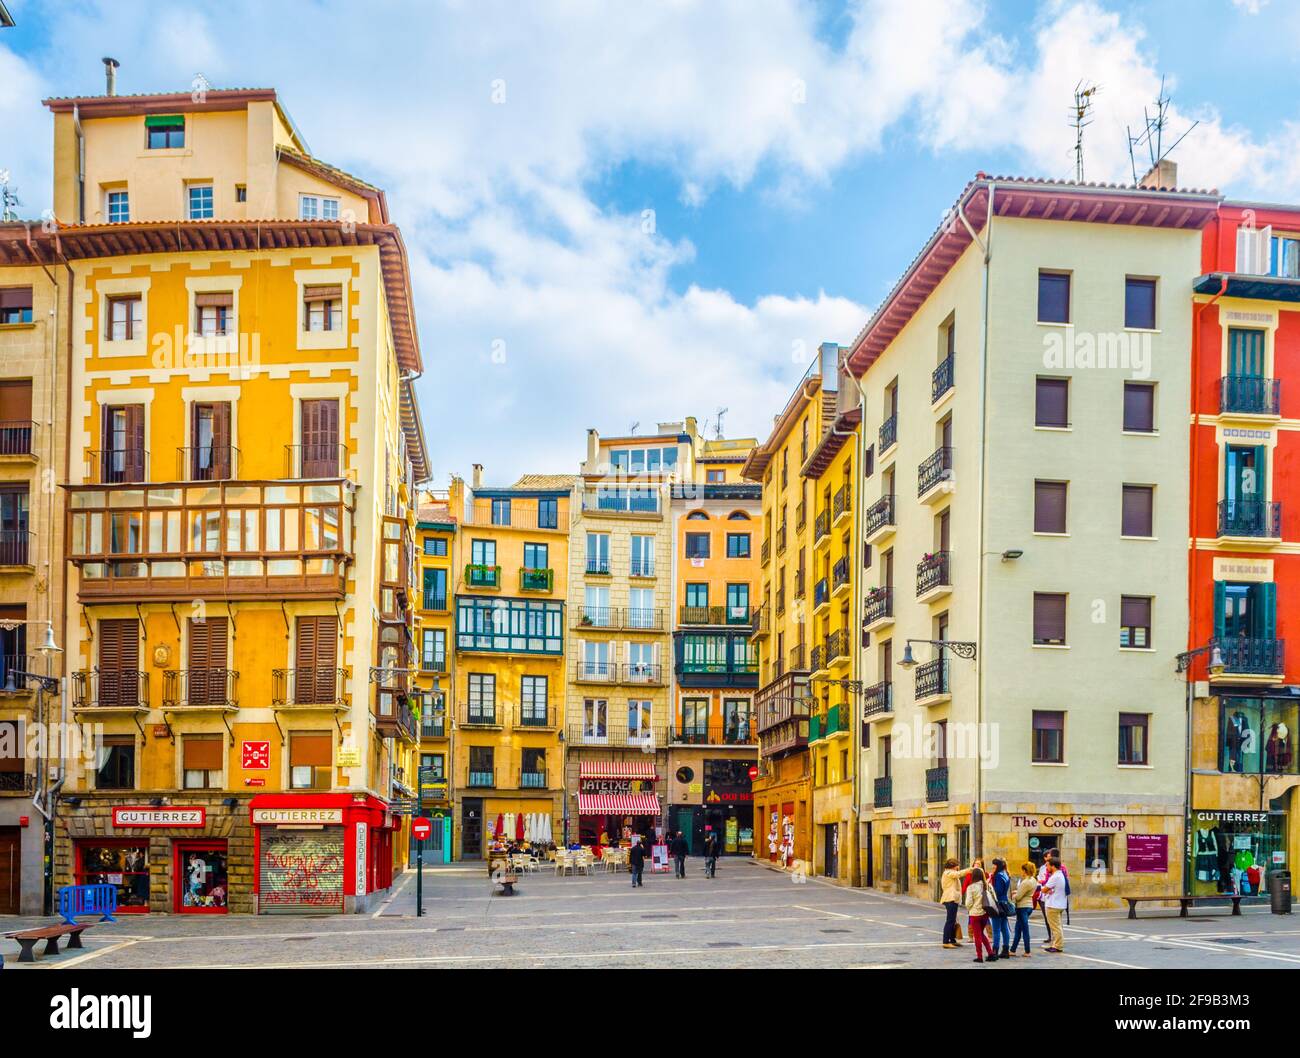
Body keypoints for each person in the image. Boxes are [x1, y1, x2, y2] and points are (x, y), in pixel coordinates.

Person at [963, 866, 993, 963]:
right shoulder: (987, 885)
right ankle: (991, 953)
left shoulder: (971, 887)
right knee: (981, 934)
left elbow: (968, 903)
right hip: (985, 913)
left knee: (977, 936)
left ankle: (979, 957)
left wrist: (970, 909)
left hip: (975, 914)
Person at [1009, 861, 1037, 957]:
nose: (1022, 872)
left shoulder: (1025, 882)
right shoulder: (1033, 880)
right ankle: (1013, 950)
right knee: (1019, 928)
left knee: (1024, 929)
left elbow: (1018, 897)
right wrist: (1018, 891)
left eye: (1023, 870)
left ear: (1025, 870)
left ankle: (1027, 951)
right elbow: (1026, 893)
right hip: (1029, 906)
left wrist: (1013, 895)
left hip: (1022, 907)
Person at [1041, 857, 1068, 952]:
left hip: (1053, 905)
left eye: (1047, 865)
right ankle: (1056, 944)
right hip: (1059, 904)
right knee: (1057, 926)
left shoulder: (1055, 876)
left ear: (1053, 866)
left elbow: (1044, 889)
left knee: (1055, 927)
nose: (1047, 868)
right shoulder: (1061, 875)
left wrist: (1042, 888)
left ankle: (1057, 946)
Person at [987, 858, 1011, 961]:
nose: (993, 867)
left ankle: (995, 951)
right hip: (1004, 902)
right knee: (1004, 927)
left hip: (998, 904)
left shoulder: (998, 876)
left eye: (994, 865)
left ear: (998, 866)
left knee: (996, 928)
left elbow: (997, 891)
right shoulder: (1005, 874)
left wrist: (990, 885)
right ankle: (1005, 950)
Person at [939, 858, 964, 949]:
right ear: (953, 866)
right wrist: (970, 869)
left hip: (953, 899)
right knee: (950, 920)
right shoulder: (948, 873)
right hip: (950, 899)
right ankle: (946, 941)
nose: (958, 867)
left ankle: (952, 940)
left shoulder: (949, 873)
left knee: (953, 920)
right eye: (957, 865)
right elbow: (959, 874)